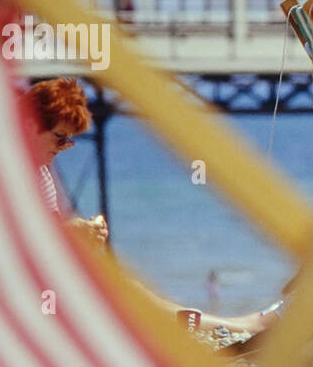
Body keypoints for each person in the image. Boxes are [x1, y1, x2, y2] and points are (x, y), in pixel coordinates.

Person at [19, 78, 280, 336]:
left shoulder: (40, 173)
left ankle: (229, 328)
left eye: (69, 141)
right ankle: (236, 328)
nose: (63, 148)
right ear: (31, 124)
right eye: (60, 138)